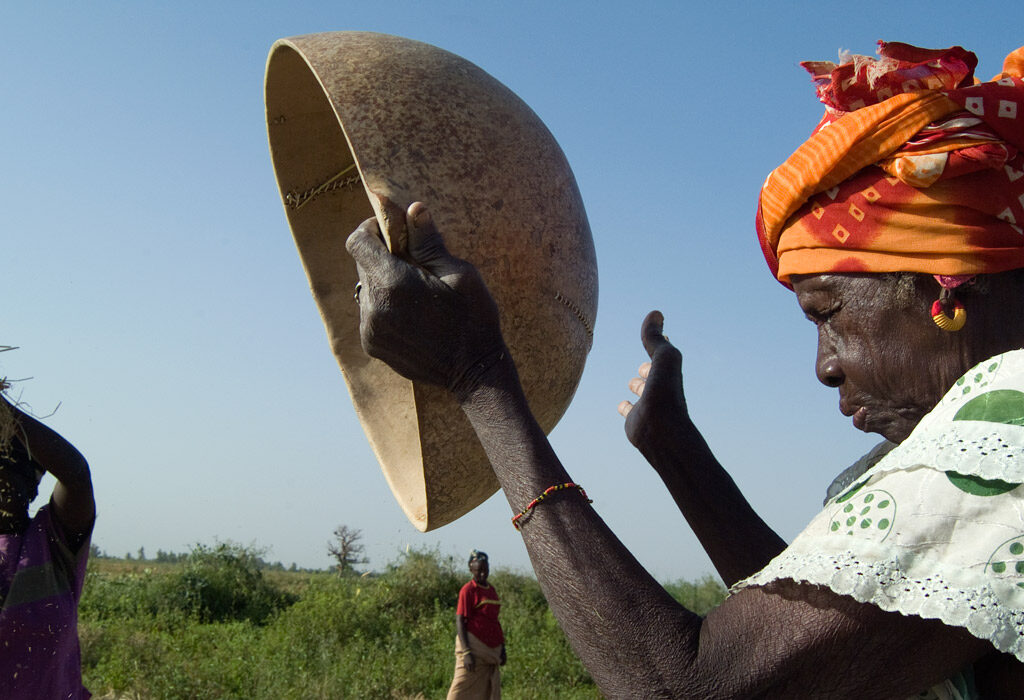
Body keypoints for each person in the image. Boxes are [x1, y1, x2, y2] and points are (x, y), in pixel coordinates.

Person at [346, 41, 1024, 698]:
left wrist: (478, 376)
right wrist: (680, 456)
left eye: (828, 312)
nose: (824, 367)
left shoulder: (1007, 428)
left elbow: (695, 686)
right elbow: (809, 656)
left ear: (947, 277)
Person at [0, 390, 95, 699]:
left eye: (14, 467)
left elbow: (76, 475)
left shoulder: (52, 542)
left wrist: (5, 412)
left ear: (34, 480)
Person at [447, 550, 505, 699]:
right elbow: (460, 620)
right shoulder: (468, 590)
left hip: (492, 651)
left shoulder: (491, 590)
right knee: (458, 692)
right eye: (478, 571)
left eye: (485, 570)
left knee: (485, 693)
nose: (482, 574)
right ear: (471, 569)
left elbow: (494, 620)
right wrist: (466, 652)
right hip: (474, 650)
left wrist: (502, 648)